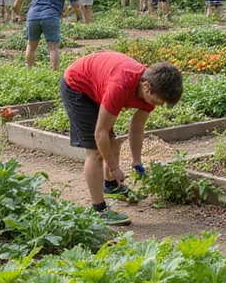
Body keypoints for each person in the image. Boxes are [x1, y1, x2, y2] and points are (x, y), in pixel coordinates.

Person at [61, 52, 183, 225]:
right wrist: (114, 167)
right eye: (159, 102)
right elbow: (100, 133)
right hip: (77, 86)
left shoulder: (151, 89)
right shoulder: (121, 85)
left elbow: (137, 128)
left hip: (99, 84)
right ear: (147, 87)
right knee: (95, 153)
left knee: (113, 143)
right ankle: (99, 210)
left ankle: (111, 186)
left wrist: (136, 160)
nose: (158, 105)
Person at [13, 0, 83, 70]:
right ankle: (53, 72)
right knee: (53, 47)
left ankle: (28, 70)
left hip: (33, 16)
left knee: (31, 46)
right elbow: (76, 5)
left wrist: (16, 11)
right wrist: (80, 18)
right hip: (51, 16)